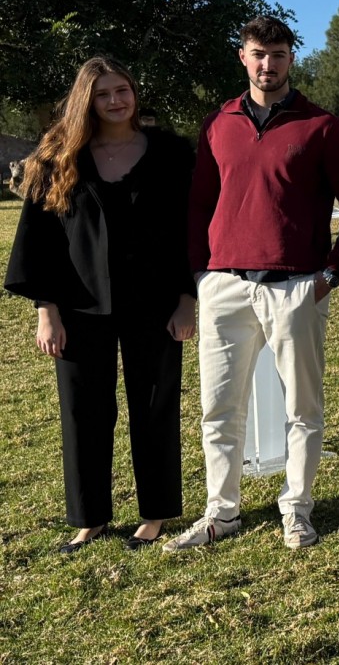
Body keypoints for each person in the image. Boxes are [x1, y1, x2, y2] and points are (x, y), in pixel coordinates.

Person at [166, 16, 339, 552]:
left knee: (303, 408)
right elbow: (200, 203)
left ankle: (296, 510)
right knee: (220, 408)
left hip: (296, 286)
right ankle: (221, 514)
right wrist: (203, 274)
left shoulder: (321, 125)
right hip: (225, 285)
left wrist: (329, 275)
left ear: (291, 58)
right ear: (242, 57)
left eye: (277, 53)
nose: (267, 63)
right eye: (257, 53)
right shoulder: (218, 122)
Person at [5, 57, 194, 553]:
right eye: (103, 93)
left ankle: (154, 515)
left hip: (154, 305)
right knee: (82, 412)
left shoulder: (173, 154)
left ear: (135, 93)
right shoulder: (57, 156)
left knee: (154, 408)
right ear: (86, 99)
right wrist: (47, 311)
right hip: (77, 307)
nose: (115, 101)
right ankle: (89, 518)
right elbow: (39, 241)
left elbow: (187, 233)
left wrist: (186, 299)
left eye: (122, 90)